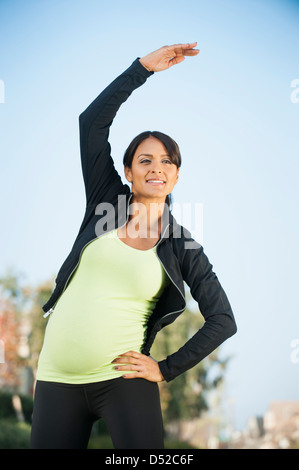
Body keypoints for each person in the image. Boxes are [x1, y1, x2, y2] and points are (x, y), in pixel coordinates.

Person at [30, 43, 237, 449]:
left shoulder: (182, 246)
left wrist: (165, 369)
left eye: (166, 161)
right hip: (56, 378)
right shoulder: (104, 203)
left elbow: (223, 319)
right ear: (128, 171)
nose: (156, 167)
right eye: (144, 160)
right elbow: (91, 123)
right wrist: (142, 69)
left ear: (176, 176)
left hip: (124, 383)